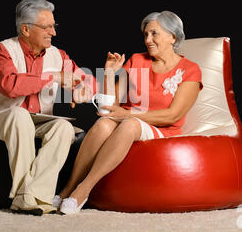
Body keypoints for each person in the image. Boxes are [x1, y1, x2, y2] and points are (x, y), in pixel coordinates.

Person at [55, 11, 203, 214]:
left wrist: (129, 115)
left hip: (161, 128)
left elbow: (173, 115)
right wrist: (108, 73)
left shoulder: (190, 70)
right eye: (145, 34)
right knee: (104, 124)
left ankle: (84, 188)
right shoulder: (136, 60)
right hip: (126, 120)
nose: (147, 40)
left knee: (130, 124)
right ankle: (68, 188)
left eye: (154, 33)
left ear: (173, 37)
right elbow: (107, 108)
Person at [0, 0, 96, 216]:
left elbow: (87, 80)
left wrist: (84, 89)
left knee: (63, 128)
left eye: (54, 26)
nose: (54, 32)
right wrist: (53, 77)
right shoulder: (1, 51)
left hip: (39, 121)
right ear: (26, 29)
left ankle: (34, 197)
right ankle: (26, 198)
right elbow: (11, 86)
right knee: (19, 115)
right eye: (47, 27)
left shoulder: (58, 55)